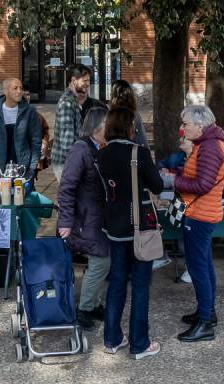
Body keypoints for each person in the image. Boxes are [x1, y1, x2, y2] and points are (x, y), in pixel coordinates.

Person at [96, 107, 162, 359]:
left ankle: (112, 339)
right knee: (141, 285)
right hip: (139, 226)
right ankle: (139, 343)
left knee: (116, 282)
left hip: (113, 226)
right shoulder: (139, 153)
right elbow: (156, 184)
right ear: (129, 127)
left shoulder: (100, 154)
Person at [173, 105, 224, 342]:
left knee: (198, 267)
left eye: (185, 124)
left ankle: (205, 323)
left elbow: (203, 185)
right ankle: (207, 312)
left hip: (200, 214)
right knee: (204, 264)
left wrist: (174, 181)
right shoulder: (207, 144)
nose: (182, 128)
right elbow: (200, 176)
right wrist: (180, 171)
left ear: (200, 125)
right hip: (202, 212)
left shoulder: (209, 147)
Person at [57, 106, 109, 331]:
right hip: (84, 219)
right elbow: (66, 188)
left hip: (96, 217)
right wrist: (65, 221)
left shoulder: (99, 146)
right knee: (101, 261)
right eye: (109, 124)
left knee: (104, 261)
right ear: (97, 126)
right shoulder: (81, 148)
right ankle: (85, 309)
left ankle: (94, 304)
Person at [0, 78, 43, 183]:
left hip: (24, 166)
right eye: (15, 88)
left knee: (24, 198)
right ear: (5, 91)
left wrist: (32, 167)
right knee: (1, 198)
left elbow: (36, 141)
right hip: (0, 168)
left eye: (20, 88)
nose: (19, 91)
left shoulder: (30, 111)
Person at [51, 63, 93, 186]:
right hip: (66, 164)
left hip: (69, 162)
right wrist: (79, 165)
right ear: (73, 80)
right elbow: (67, 143)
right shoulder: (67, 104)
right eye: (85, 81)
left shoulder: (73, 100)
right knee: (69, 201)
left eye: (89, 81)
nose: (88, 84)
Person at [108, 79, 149, 146]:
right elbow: (142, 139)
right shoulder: (134, 114)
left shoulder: (109, 114)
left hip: (115, 152)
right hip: (132, 152)